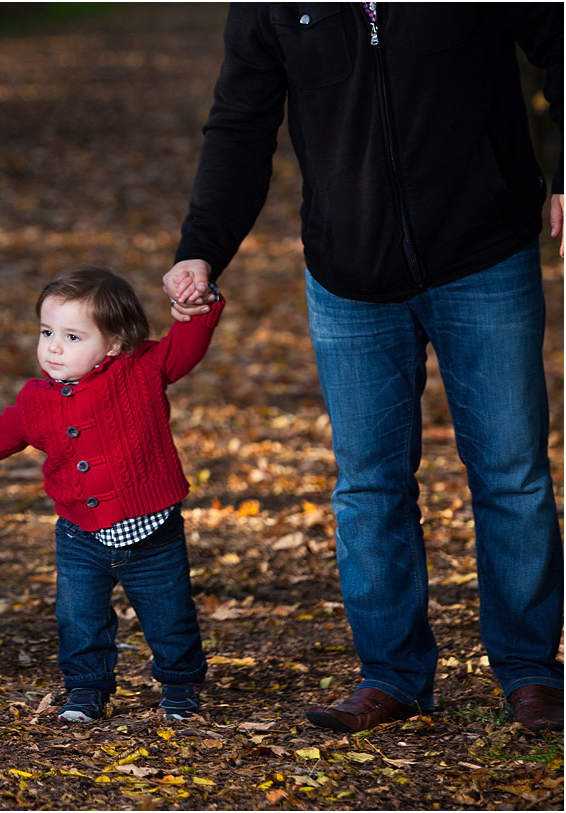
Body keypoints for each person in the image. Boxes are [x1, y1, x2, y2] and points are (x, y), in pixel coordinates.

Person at [164, 3, 563, 732]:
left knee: (511, 474)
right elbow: (240, 124)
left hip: (485, 252)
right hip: (348, 275)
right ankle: (393, 675)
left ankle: (532, 673)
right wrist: (202, 246)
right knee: (369, 486)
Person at [0, 266, 224, 723]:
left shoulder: (141, 369)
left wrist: (198, 310)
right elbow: (4, 430)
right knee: (79, 618)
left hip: (152, 531)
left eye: (73, 337)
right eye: (47, 332)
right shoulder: (38, 399)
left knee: (170, 614)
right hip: (80, 534)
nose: (54, 347)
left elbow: (186, 346)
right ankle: (86, 688)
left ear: (116, 342)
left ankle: (180, 685)